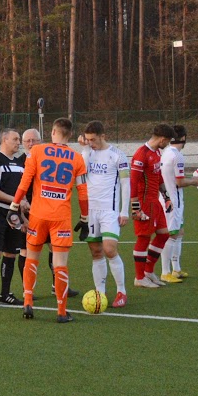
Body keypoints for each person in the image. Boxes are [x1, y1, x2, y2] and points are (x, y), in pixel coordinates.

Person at [11, 118, 87, 322]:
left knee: (31, 257)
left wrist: (14, 205)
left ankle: (28, 302)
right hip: (61, 217)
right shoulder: (77, 158)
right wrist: (85, 218)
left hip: (38, 215)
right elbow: (83, 193)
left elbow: (24, 181)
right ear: (69, 135)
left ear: (53, 132)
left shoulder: (37, 151)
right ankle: (61, 312)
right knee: (60, 263)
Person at [78, 122, 131, 307]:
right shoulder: (87, 153)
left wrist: (124, 211)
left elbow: (125, 183)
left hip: (110, 210)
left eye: (93, 139)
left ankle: (121, 291)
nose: (90, 142)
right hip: (91, 211)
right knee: (96, 252)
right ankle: (100, 293)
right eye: (88, 139)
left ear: (103, 135)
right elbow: (81, 173)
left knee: (109, 249)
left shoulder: (117, 155)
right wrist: (85, 150)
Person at [0, 130, 26, 306]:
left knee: (11, 253)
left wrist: (22, 216)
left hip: (14, 213)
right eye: (15, 139)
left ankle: (5, 292)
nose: (19, 142)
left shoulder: (20, 164)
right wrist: (16, 201)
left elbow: (21, 194)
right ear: (4, 139)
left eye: (19, 140)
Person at [128, 124, 174, 290]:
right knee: (144, 237)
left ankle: (148, 272)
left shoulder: (156, 152)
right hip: (143, 201)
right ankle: (139, 277)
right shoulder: (141, 154)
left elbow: (158, 176)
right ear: (162, 139)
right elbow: (133, 181)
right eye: (167, 141)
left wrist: (166, 197)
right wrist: (135, 208)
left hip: (155, 201)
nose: (167, 144)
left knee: (163, 235)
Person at [159, 126, 198, 281]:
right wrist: (195, 181)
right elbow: (180, 182)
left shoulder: (166, 153)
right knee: (172, 234)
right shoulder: (177, 156)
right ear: (183, 138)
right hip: (172, 200)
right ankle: (165, 272)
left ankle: (176, 268)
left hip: (168, 198)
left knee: (179, 232)